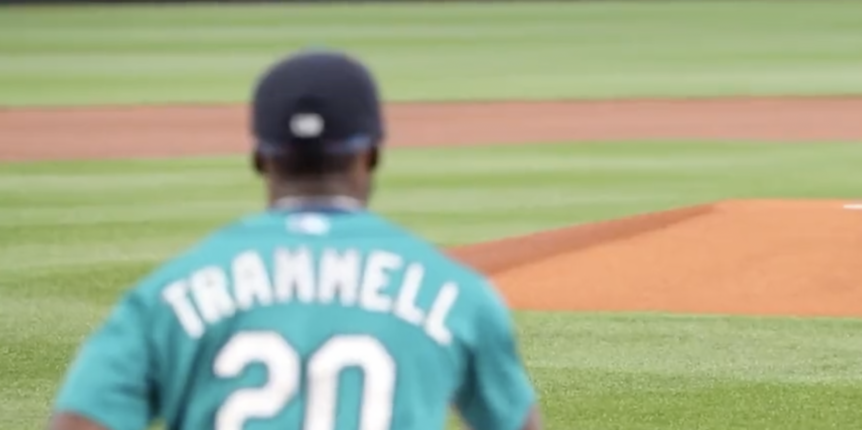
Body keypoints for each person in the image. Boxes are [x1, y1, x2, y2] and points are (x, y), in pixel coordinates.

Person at [46, 49, 544, 430]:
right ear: (371, 153)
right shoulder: (457, 293)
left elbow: (80, 420)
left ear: (262, 157)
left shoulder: (168, 294)